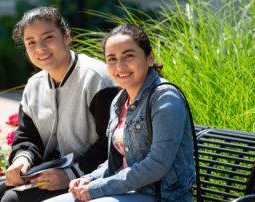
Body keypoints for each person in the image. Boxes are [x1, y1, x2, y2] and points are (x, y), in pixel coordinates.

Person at [0, 6, 119, 202]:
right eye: (30, 42)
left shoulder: (97, 79)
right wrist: (22, 158)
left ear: (66, 36)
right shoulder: (34, 85)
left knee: (13, 200)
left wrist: (71, 174)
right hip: (46, 173)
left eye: (48, 37)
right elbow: (27, 136)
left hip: (90, 174)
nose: (40, 48)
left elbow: (113, 142)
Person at [45, 24, 196, 202]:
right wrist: (89, 179)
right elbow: (117, 162)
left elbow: (157, 164)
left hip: (163, 196)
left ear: (149, 58)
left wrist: (97, 189)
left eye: (129, 56)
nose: (120, 66)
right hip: (128, 191)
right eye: (112, 59)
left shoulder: (164, 98)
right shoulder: (119, 101)